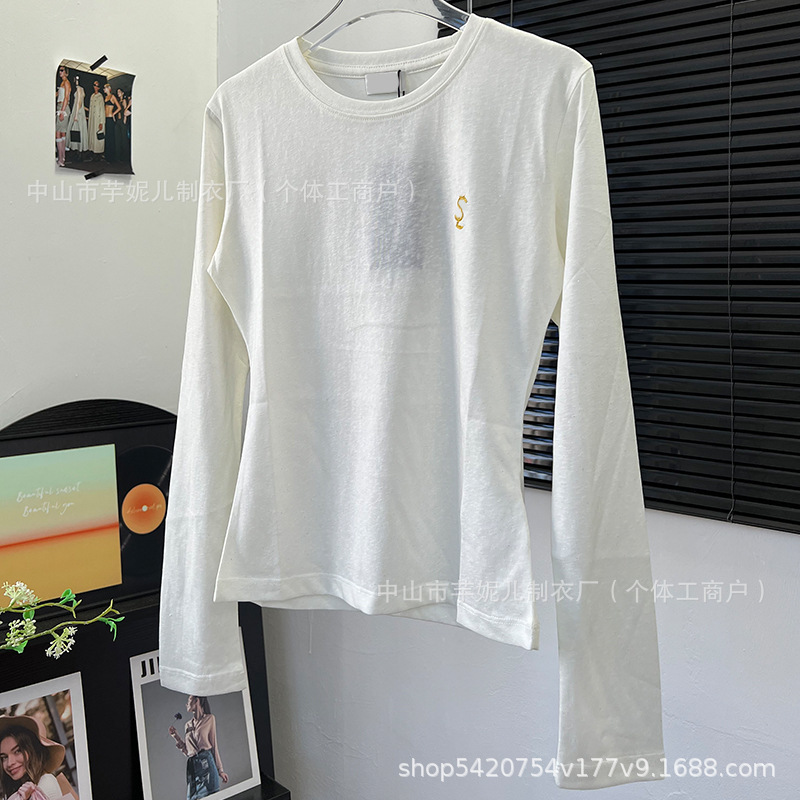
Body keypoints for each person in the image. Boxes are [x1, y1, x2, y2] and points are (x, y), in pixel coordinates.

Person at [0, 714, 77, 800]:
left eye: (17, 751)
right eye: (4, 757)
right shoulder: (16, 790)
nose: (10, 763)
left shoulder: (45, 783)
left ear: (33, 750)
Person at [168, 696, 228, 799]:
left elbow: (214, 746)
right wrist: (176, 736)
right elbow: (188, 752)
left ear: (197, 700)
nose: (186, 704)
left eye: (188, 701)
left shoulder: (210, 719)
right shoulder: (187, 725)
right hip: (193, 768)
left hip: (207, 765)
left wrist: (220, 770)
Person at [54, 66, 71, 167]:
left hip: (63, 108)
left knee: (58, 133)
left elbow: (66, 98)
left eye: (62, 70)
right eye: (59, 70)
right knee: (62, 133)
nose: (60, 72)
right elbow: (58, 94)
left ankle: (61, 159)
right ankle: (62, 157)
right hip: (60, 107)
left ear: (66, 73)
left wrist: (62, 111)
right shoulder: (62, 83)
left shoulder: (67, 83)